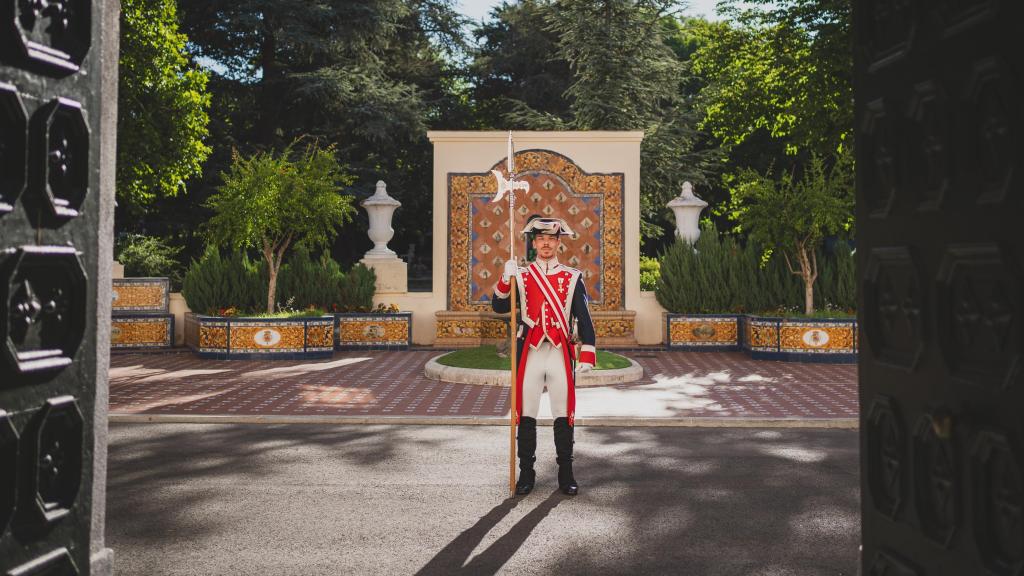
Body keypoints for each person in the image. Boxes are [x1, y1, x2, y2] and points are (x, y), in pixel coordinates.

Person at [491, 216, 596, 496]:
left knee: (563, 413)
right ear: (534, 243)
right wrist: (505, 278)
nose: (546, 243)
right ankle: (526, 473)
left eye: (551, 239)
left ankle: (566, 473)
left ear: (558, 243)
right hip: (531, 350)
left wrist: (587, 352)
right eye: (541, 239)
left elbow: (583, 316)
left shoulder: (573, 277)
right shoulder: (522, 276)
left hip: (560, 352)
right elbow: (499, 306)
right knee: (527, 413)